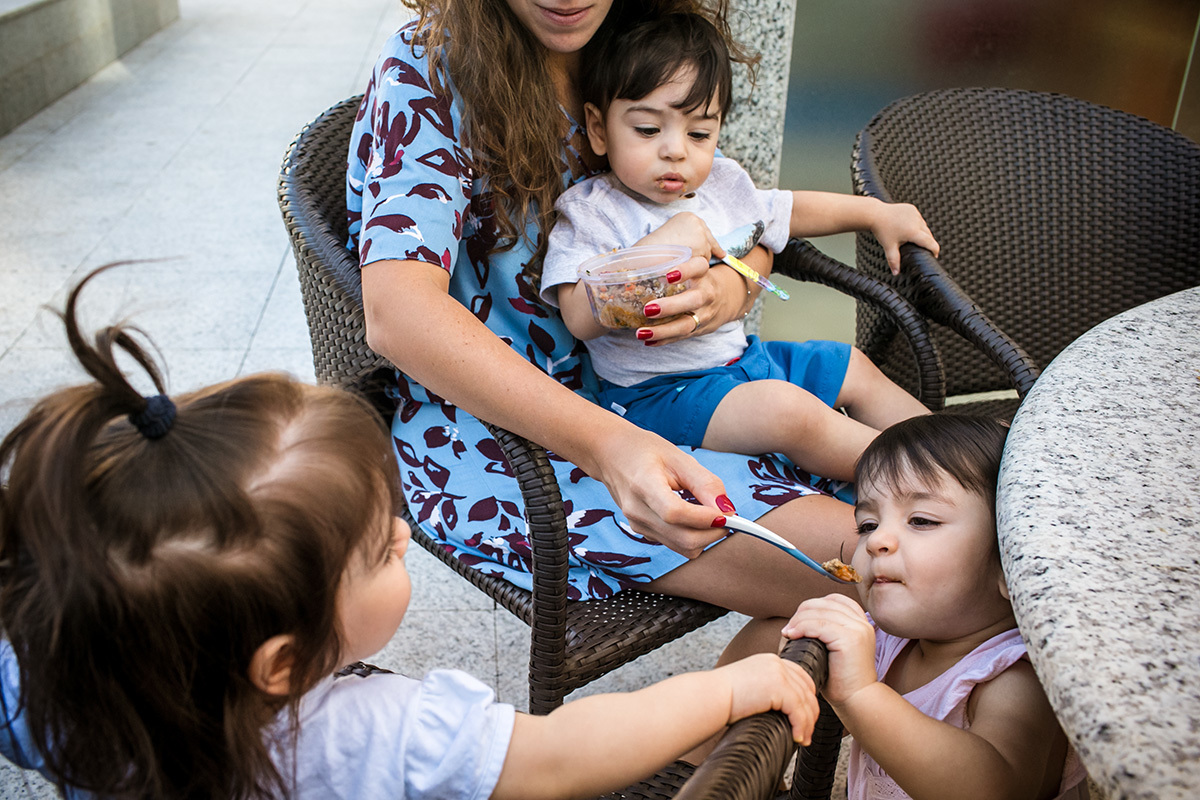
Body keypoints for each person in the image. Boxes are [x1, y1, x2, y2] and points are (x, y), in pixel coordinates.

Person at [0, 264, 821, 799]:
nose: (402, 532)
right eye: (377, 550)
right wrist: (729, 689)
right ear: (282, 664)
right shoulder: (366, 738)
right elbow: (562, 755)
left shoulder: (59, 683)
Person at [349, 0, 875, 665]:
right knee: (905, 567)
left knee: (921, 542)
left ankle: (714, 751)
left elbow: (725, 210)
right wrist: (611, 447)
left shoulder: (629, 36)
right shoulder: (428, 70)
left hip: (665, 391)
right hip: (503, 439)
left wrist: (738, 280)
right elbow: (398, 314)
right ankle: (714, 749)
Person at [539, 13, 939, 485]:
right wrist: (659, 245)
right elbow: (578, 316)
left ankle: (954, 446)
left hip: (742, 364)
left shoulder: (722, 189)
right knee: (789, 412)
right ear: (599, 128)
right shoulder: (593, 212)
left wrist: (874, 213)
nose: (675, 151)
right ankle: (926, 479)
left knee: (850, 364)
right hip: (657, 397)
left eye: (699, 133)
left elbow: (789, 210)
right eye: (648, 130)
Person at [782, 415, 1089, 799]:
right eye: (867, 524)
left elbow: (996, 787)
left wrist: (860, 695)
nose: (878, 541)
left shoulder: (1015, 676)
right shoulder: (886, 642)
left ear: (1011, 562)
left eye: (921, 520)